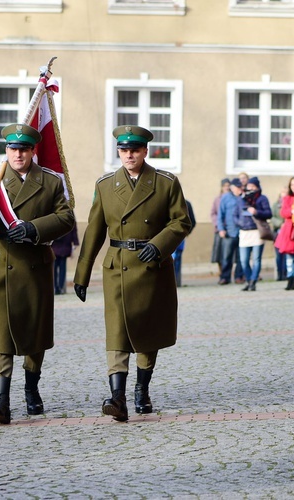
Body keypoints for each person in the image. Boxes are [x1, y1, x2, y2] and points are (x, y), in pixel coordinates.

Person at [73, 125, 191, 421]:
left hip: (152, 266)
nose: (129, 155)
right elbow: (94, 232)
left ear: (145, 151)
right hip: (118, 266)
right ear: (118, 152)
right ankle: (117, 396)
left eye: (135, 150)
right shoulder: (105, 185)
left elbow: (181, 221)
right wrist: (81, 274)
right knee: (117, 331)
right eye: (124, 150)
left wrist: (160, 245)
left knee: (147, 331)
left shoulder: (165, 182)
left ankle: (142, 388)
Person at [0, 123, 74, 424]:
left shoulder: (49, 181)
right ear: (6, 150)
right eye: (13, 148)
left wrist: (34, 228)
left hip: (35, 263)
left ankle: (31, 387)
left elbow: (66, 217)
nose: (18, 154)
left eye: (24, 149)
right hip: (1, 263)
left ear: (33, 151)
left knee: (34, 332)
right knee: (2, 333)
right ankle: (1, 400)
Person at [236, 177, 271, 291]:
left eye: (253, 186)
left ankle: (253, 281)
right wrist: (239, 222)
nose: (250, 188)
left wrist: (257, 212)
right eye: (249, 186)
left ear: (257, 187)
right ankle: (249, 279)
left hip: (257, 231)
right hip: (244, 232)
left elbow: (268, 213)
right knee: (243, 260)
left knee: (256, 259)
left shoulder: (262, 198)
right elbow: (235, 214)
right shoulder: (241, 199)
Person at [274, 177, 294, 290]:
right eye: (292, 185)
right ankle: (290, 278)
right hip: (289, 229)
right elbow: (283, 212)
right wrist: (292, 211)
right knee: (289, 256)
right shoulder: (287, 198)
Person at [217, 178, 243, 285]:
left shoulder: (243, 197)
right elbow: (220, 214)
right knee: (226, 256)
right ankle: (225, 277)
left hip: (242, 231)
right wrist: (221, 229)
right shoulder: (225, 197)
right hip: (229, 231)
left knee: (240, 257)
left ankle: (239, 276)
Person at [172, 199, 196, 287]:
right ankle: (174, 282)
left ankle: (176, 282)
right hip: (172, 235)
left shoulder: (186, 203)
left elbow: (192, 221)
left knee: (176, 257)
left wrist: (186, 233)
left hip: (179, 236)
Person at [210, 178, 230, 275]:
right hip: (219, 230)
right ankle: (221, 271)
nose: (227, 187)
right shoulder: (217, 199)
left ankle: (227, 273)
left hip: (229, 229)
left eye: (228, 186)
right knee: (218, 253)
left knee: (228, 253)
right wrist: (218, 224)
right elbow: (213, 213)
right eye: (225, 186)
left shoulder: (232, 198)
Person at [51, 224, 79, 294]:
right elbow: (74, 228)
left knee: (55, 268)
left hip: (56, 246)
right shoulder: (69, 213)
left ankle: (56, 287)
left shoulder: (53, 214)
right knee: (62, 268)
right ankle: (60, 287)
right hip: (64, 245)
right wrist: (75, 242)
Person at [271, 186, 287, 281]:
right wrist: (280, 224)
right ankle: (280, 274)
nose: (284, 194)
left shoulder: (291, 202)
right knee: (279, 254)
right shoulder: (275, 205)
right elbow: (272, 217)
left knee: (286, 254)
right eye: (282, 192)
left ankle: (286, 273)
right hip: (278, 232)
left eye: (286, 192)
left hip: (288, 231)